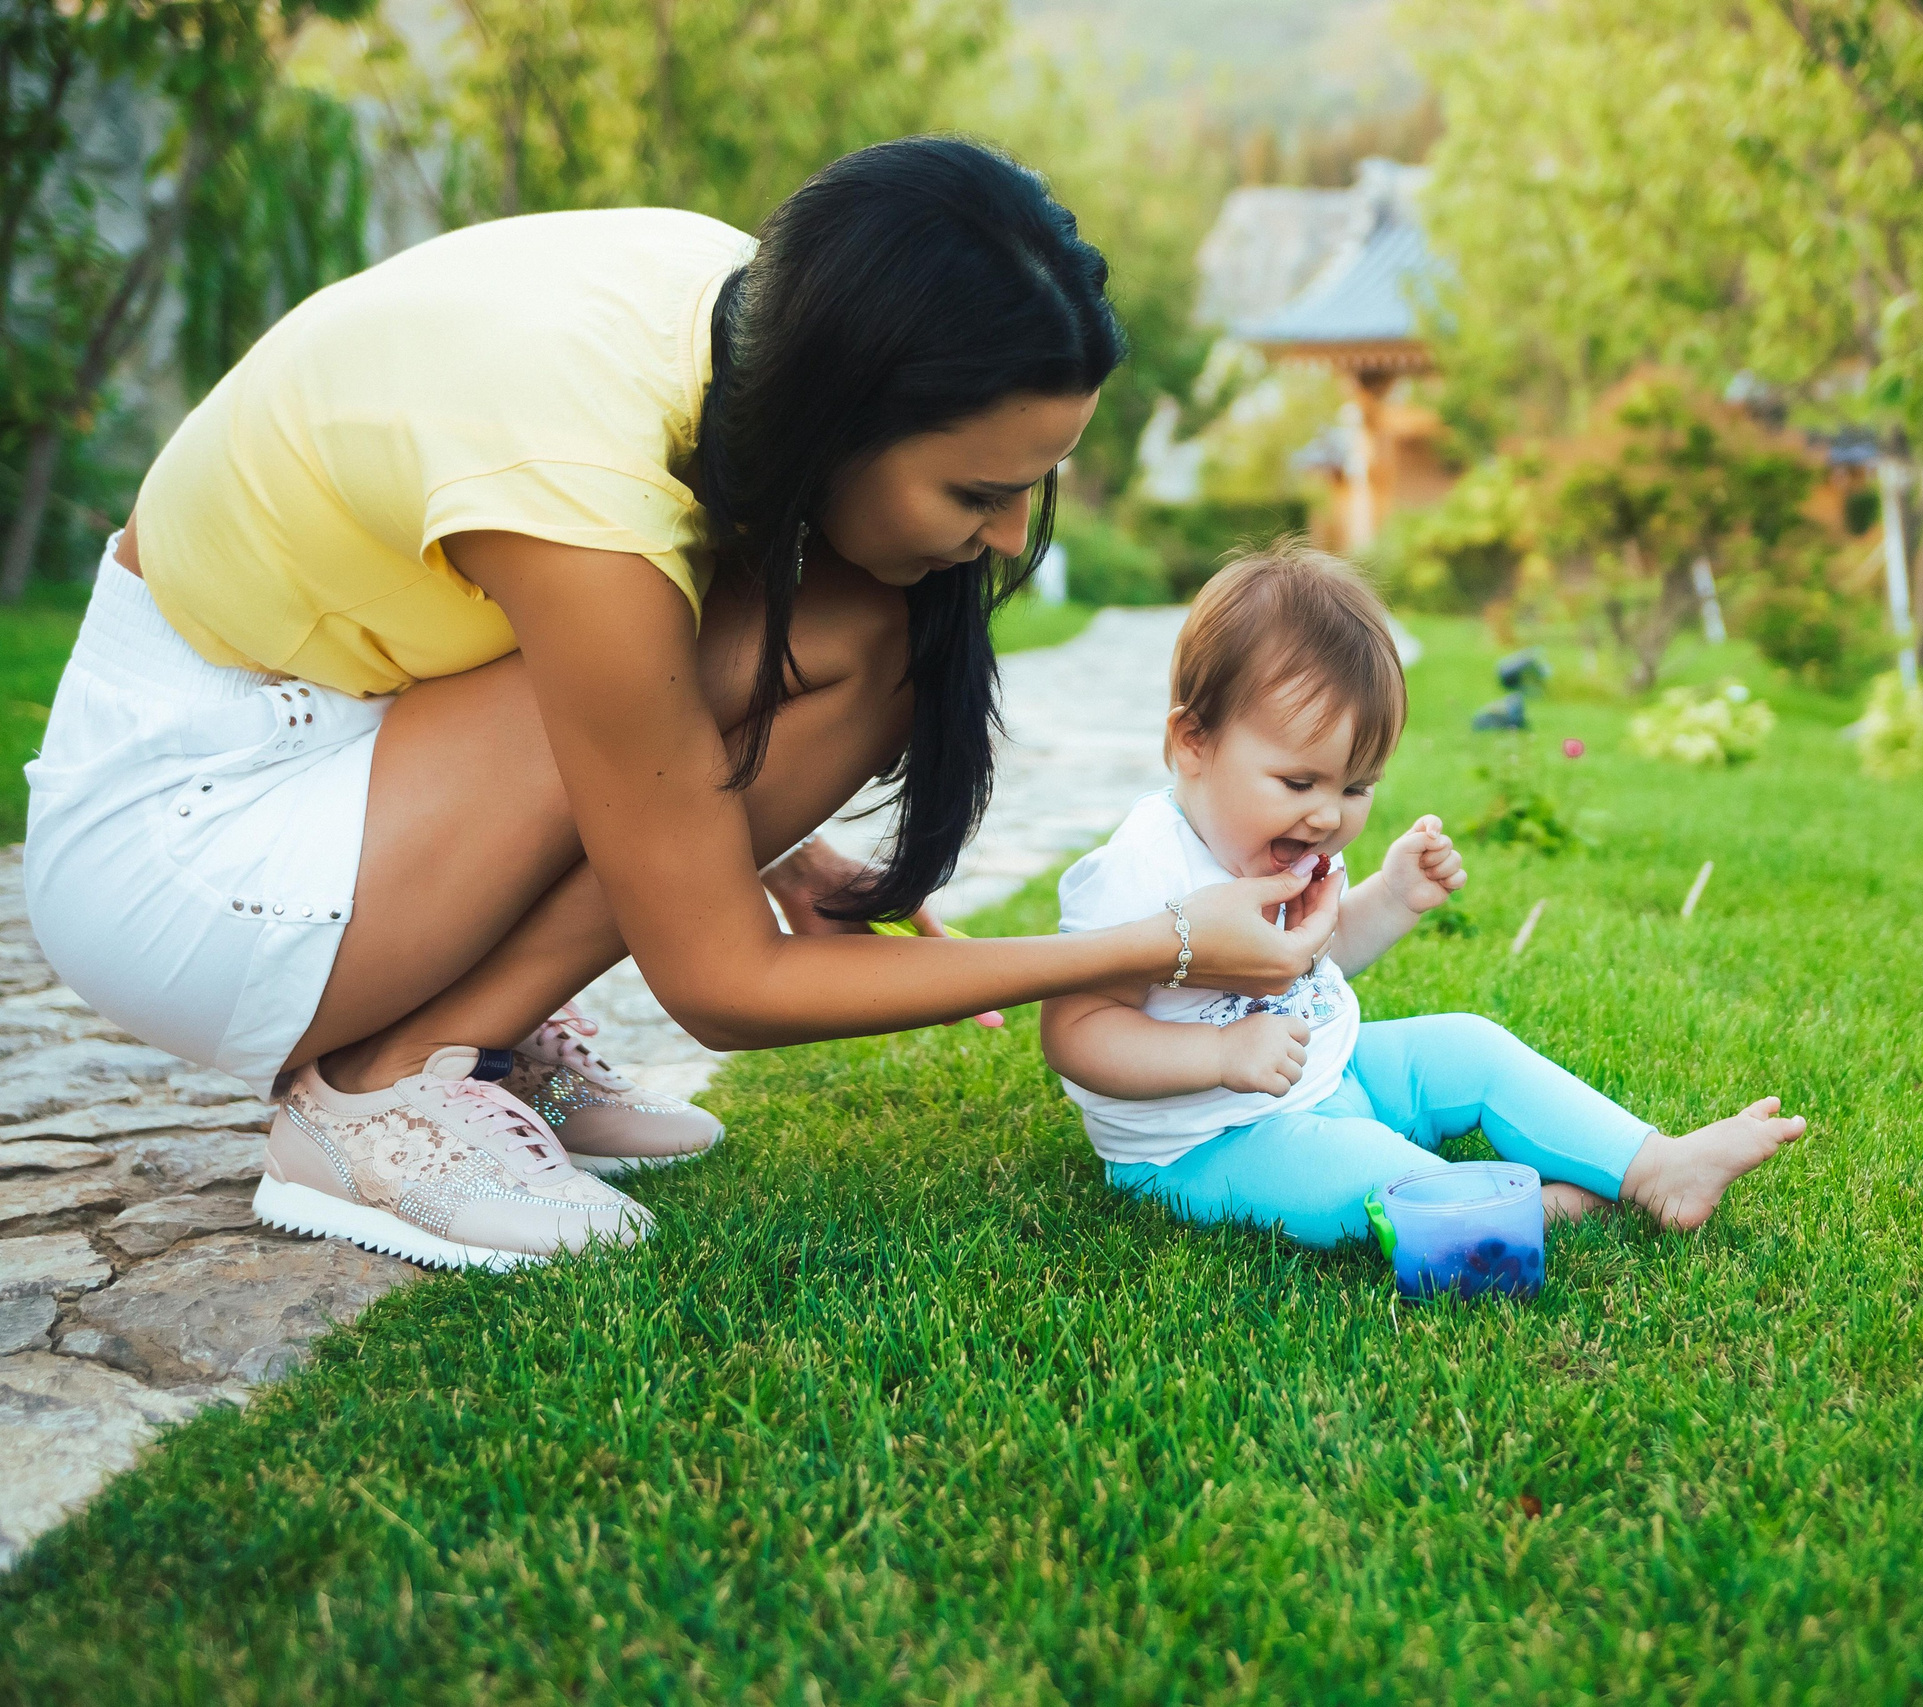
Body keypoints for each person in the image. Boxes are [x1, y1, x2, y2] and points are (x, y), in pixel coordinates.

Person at [23, 138, 1338, 1273]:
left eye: (1032, 484)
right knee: (850, 638)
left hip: (346, 739)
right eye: (975, 492)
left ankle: (478, 1032)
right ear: (844, 420)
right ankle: (380, 1089)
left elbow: (644, 725)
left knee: (851, 636)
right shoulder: (577, 483)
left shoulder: (748, 312)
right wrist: (1160, 944)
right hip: (190, 852)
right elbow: (720, 981)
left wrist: (769, 849)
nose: (1005, 539)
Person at [1040, 545, 1805, 1247]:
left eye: (1356, 787)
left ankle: (1655, 1165)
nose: (1328, 815)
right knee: (1372, 1175)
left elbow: (1313, 956)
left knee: (1471, 1045)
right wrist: (1218, 1053)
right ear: (1194, 743)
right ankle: (1521, 1209)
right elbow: (1075, 1033)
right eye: (1299, 781)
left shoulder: (1290, 841)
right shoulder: (1140, 871)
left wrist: (1392, 896)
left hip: (1340, 1071)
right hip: (1212, 1142)